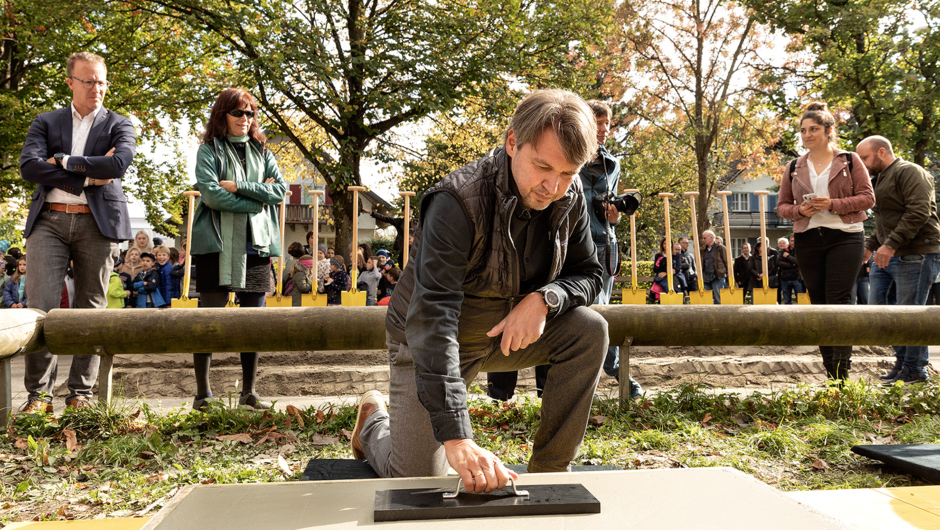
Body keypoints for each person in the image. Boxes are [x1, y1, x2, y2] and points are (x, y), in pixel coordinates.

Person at [351, 89, 607, 488]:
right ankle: (372, 426)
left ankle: (551, 470)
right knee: (417, 477)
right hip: (431, 341)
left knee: (590, 330)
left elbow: (590, 273)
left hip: (507, 335)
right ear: (511, 143)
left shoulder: (568, 197)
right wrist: (457, 436)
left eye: (568, 173)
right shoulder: (456, 202)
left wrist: (546, 299)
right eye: (542, 166)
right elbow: (433, 317)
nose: (552, 186)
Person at [487, 99, 641, 402]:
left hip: (600, 245)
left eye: (607, 124)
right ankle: (502, 395)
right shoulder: (557, 147)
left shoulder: (613, 163)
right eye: (597, 124)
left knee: (592, 315)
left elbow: (603, 211)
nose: (603, 130)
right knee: (534, 308)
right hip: (557, 239)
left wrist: (614, 214)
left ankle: (567, 388)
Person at [18, 51, 136, 413]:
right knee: (42, 309)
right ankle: (38, 397)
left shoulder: (120, 124)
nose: (96, 89)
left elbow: (119, 163)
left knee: (91, 309)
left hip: (97, 223)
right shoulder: (46, 122)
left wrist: (65, 162)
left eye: (101, 81)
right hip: (48, 222)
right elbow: (28, 167)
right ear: (70, 82)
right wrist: (86, 176)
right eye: (88, 81)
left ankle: (80, 395)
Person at [189, 87, 287, 411]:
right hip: (214, 245)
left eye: (250, 113)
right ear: (223, 115)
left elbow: (281, 191)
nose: (245, 119)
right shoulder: (209, 151)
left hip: (255, 246)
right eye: (238, 113)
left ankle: (249, 391)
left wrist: (240, 186)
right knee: (208, 320)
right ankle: (203, 394)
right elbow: (212, 195)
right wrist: (257, 198)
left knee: (252, 322)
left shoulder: (263, 151)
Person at [776, 101, 874, 384]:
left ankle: (842, 378)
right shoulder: (794, 166)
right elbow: (782, 206)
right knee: (818, 303)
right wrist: (799, 211)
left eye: (813, 129)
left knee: (839, 301)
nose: (807, 135)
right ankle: (831, 377)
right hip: (808, 239)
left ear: (829, 131)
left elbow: (868, 198)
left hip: (845, 237)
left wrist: (833, 203)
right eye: (803, 130)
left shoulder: (850, 160)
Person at [856, 135, 940, 385]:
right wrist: (870, 246)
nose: (862, 163)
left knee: (910, 313)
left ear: (882, 152)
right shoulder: (880, 178)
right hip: (890, 252)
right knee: (880, 309)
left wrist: (890, 245)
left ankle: (915, 370)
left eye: (865, 158)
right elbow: (886, 222)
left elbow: (919, 211)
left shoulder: (910, 171)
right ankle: (903, 362)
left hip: (917, 251)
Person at [700, 230, 728, 304]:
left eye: (705, 238)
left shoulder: (720, 248)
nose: (703, 240)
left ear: (711, 238)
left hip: (717, 277)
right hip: (706, 277)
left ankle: (719, 315)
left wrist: (727, 275)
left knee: (718, 299)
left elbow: (727, 261)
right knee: (707, 299)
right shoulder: (704, 250)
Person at [776, 237, 802, 304]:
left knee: (800, 300)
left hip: (797, 278)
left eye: (794, 241)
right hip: (785, 279)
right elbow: (778, 263)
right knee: (787, 301)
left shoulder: (799, 250)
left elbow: (798, 262)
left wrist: (788, 257)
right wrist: (792, 265)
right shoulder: (783, 251)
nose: (793, 242)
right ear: (789, 241)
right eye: (792, 241)